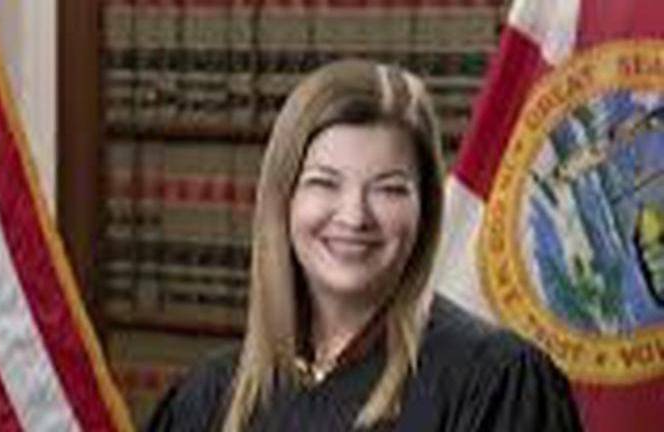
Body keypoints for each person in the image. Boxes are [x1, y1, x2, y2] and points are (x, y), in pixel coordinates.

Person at [147, 59, 583, 431]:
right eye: (324, 183)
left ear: (425, 209)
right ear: (284, 199)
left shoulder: (496, 384)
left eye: (389, 189)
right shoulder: (209, 398)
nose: (355, 216)